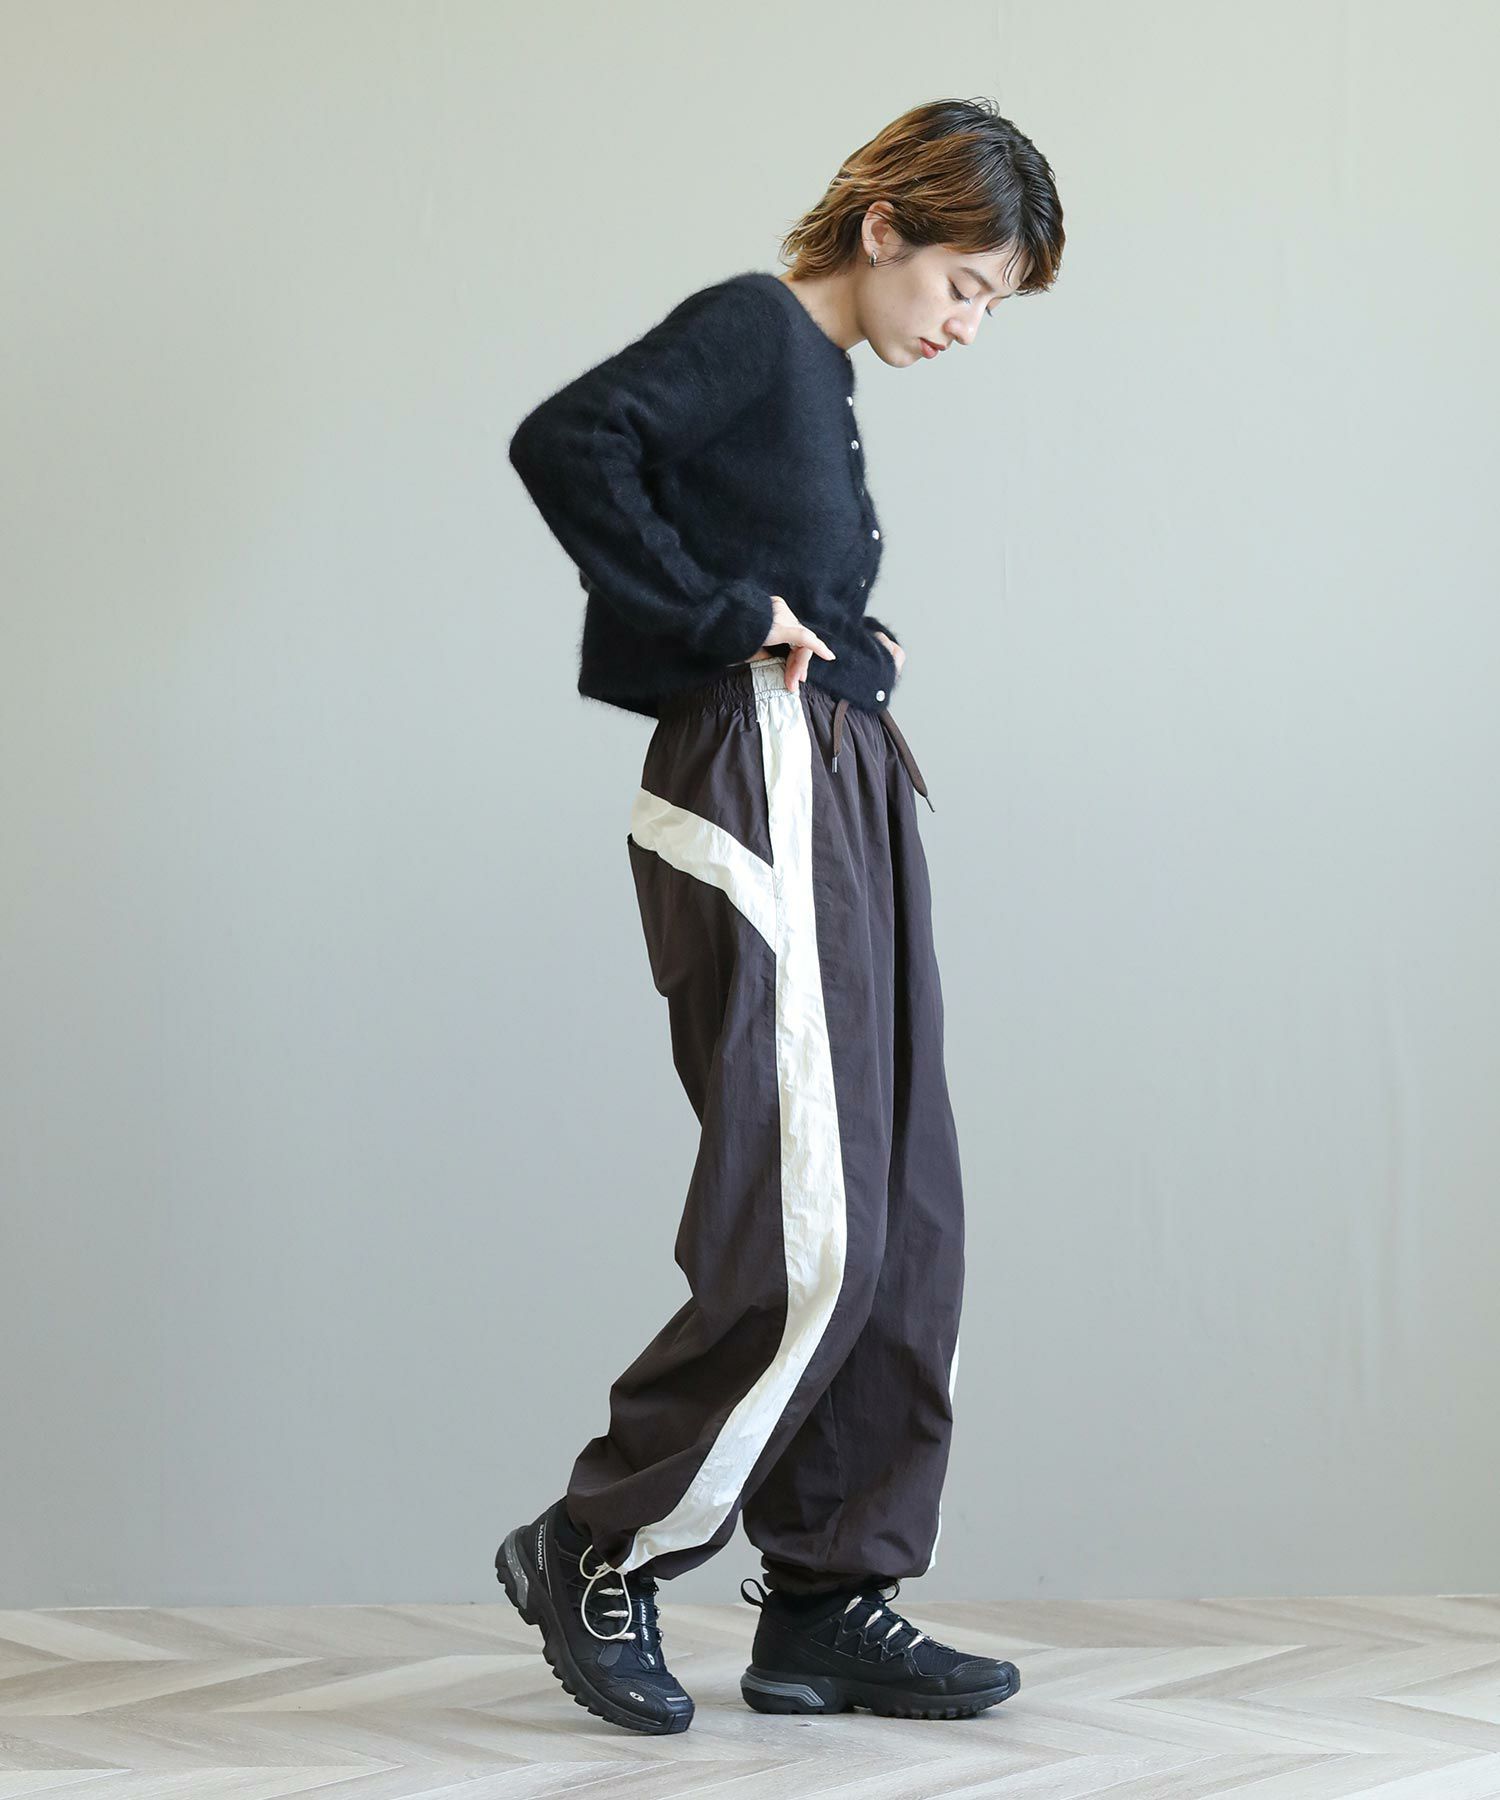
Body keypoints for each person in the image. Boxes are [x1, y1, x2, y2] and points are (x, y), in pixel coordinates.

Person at [496, 96, 1065, 1734]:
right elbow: (569, 441)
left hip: (837, 781)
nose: (965, 325)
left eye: (991, 305)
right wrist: (715, 617)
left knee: (907, 1208)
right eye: (962, 285)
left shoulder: (818, 379)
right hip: (757, 781)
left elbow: (786, 571)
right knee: (816, 1220)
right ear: (885, 228)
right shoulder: (757, 327)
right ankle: (593, 1545)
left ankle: (826, 1597)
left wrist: (852, 650)